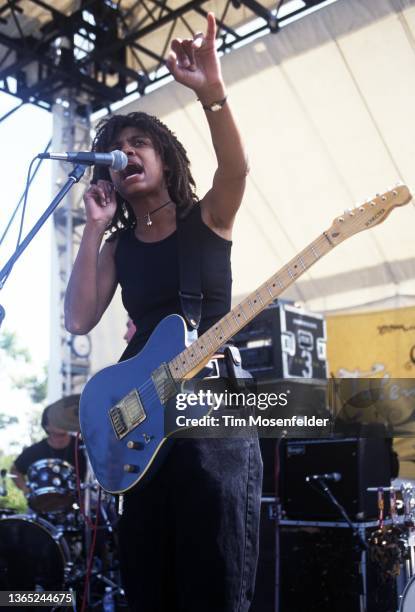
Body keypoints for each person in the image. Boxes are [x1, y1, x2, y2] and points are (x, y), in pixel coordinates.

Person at [64, 13, 262, 612]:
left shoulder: (209, 221)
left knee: (213, 576)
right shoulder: (120, 246)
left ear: (164, 158)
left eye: (137, 144)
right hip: (142, 414)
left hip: (210, 416)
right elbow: (78, 320)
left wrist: (211, 94)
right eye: (114, 153)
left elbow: (237, 170)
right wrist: (93, 230)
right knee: (150, 578)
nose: (124, 156)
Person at [11, 405, 86, 495]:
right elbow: (14, 470)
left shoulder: (83, 445)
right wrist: (24, 487)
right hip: (43, 504)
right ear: (46, 426)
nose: (61, 421)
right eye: (56, 419)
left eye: (63, 418)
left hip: (80, 502)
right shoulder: (35, 450)